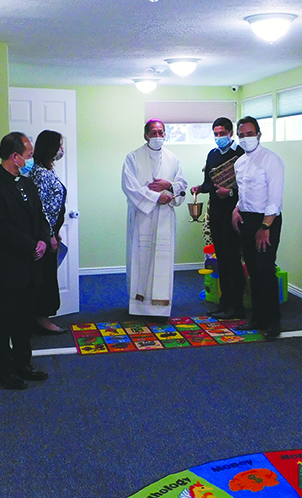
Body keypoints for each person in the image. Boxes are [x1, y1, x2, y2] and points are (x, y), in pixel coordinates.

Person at [0, 132, 51, 389]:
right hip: (7, 267)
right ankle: (6, 370)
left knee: (25, 320)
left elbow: (40, 217)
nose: (31, 160)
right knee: (5, 321)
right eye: (29, 155)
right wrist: (31, 246)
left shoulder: (27, 183)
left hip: (31, 266)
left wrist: (43, 240)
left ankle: (24, 364)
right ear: (14, 157)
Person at [121, 119, 187, 318]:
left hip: (165, 217)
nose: (158, 136)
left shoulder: (173, 159)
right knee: (140, 259)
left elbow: (182, 185)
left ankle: (161, 307)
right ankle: (139, 305)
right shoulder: (133, 157)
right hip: (143, 216)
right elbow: (129, 186)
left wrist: (169, 186)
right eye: (153, 132)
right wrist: (156, 197)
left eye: (161, 132)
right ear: (146, 135)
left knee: (162, 260)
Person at [231, 116, 285, 339]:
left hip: (266, 221)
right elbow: (244, 191)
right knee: (252, 270)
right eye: (241, 135)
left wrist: (265, 226)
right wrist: (237, 209)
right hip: (246, 219)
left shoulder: (271, 160)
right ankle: (258, 318)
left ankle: (273, 323)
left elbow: (275, 197)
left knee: (265, 270)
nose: (246, 138)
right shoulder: (239, 162)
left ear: (259, 135)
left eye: (250, 134)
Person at [190, 117, 244, 319]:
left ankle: (237, 306)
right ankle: (224, 302)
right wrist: (199, 188)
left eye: (222, 133)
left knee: (233, 258)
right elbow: (208, 183)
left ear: (231, 133)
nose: (219, 137)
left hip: (234, 212)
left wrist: (229, 193)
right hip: (216, 212)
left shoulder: (240, 154)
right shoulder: (212, 155)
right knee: (220, 257)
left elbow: (247, 187)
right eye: (216, 134)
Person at [30, 130, 68, 335]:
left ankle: (42, 317)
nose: (61, 149)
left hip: (51, 231)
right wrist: (49, 235)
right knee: (44, 278)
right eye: (59, 145)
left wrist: (56, 231)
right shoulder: (40, 173)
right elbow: (41, 207)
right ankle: (41, 319)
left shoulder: (48, 171)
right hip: (43, 235)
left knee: (48, 275)